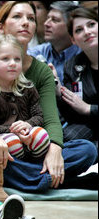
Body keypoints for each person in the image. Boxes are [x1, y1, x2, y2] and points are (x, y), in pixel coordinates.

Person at [0, 1, 98, 192]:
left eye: (31, 18)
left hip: (31, 147)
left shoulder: (41, 70)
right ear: (1, 27)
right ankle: (57, 180)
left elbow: (50, 121)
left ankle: (22, 178)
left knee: (87, 150)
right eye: (17, 17)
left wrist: (55, 149)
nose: (25, 22)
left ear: (35, 27)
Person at [0, 33, 50, 161]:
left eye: (17, 59)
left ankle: (36, 166)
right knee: (6, 144)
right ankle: (30, 172)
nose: (13, 63)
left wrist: (27, 125)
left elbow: (39, 116)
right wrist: (13, 131)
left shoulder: (28, 88)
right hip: (4, 141)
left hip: (29, 140)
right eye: (5, 59)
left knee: (41, 134)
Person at [57, 7, 98, 147]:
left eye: (91, 24)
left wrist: (89, 108)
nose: (87, 32)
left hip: (92, 117)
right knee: (66, 137)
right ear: (73, 40)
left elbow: (84, 108)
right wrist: (57, 89)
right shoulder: (72, 66)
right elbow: (72, 115)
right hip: (90, 127)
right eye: (79, 30)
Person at [27, 1, 81, 84]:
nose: (46, 24)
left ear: (71, 25)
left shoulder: (84, 54)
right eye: (47, 18)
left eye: (54, 20)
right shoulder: (39, 52)